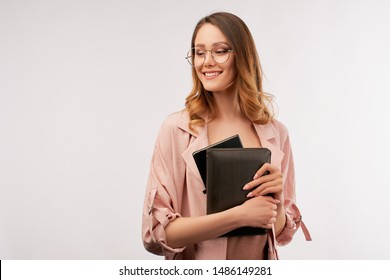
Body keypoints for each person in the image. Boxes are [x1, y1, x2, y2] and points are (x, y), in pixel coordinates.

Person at [142, 12, 311, 260]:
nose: (206, 62)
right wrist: (238, 216)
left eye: (219, 51)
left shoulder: (276, 133)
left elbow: (279, 234)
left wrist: (276, 204)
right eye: (199, 52)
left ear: (243, 57)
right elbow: (156, 235)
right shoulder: (176, 129)